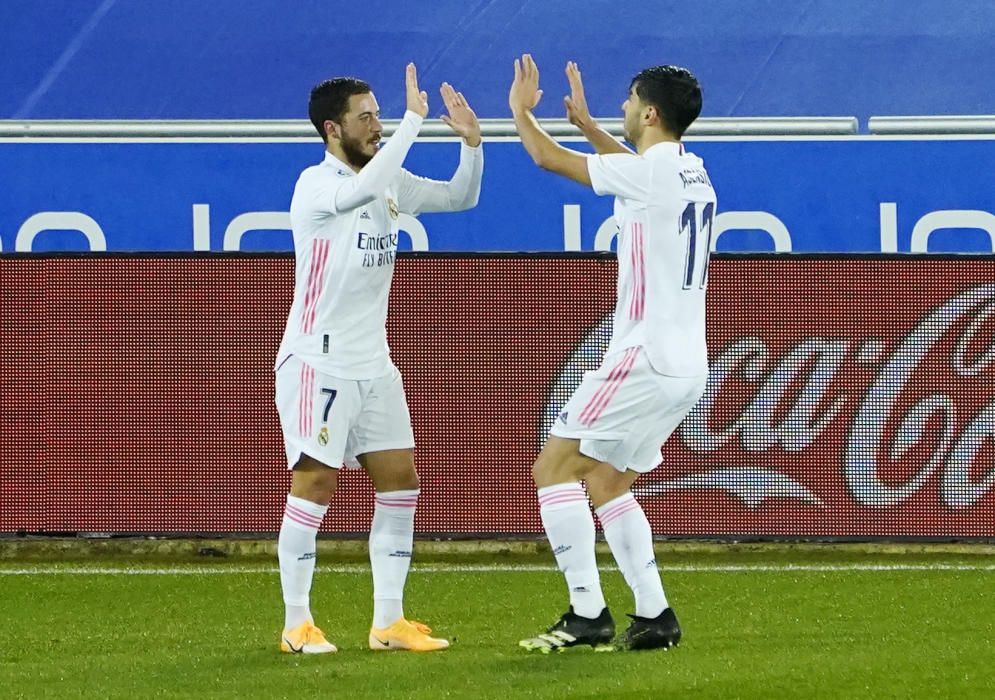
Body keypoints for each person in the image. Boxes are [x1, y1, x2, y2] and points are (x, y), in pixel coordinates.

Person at [274, 63, 483, 654]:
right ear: (330, 129)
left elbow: (459, 198)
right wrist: (416, 121)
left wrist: (471, 145)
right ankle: (296, 624)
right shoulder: (317, 185)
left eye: (380, 116)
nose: (377, 127)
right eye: (365, 118)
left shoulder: (387, 180)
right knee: (315, 483)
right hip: (319, 359)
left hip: (374, 362)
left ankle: (388, 623)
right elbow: (361, 190)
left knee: (400, 482)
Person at [509, 55, 715, 652]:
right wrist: (590, 127)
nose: (621, 109)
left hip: (643, 354)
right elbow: (634, 169)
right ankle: (655, 617)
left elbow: (546, 159)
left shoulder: (650, 175)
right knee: (605, 482)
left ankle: (586, 613)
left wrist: (521, 113)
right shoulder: (693, 171)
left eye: (628, 101)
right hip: (686, 366)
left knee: (552, 470)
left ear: (649, 112)